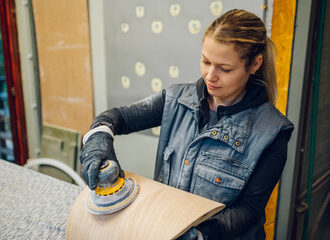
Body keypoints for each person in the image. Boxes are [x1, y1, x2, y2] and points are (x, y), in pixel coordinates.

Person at [80, 9, 294, 240]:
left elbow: (248, 210)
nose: (210, 75)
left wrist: (196, 236)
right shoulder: (175, 99)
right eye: (206, 61)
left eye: (225, 68)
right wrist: (98, 138)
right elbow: (116, 117)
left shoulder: (272, 132)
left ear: (254, 65)